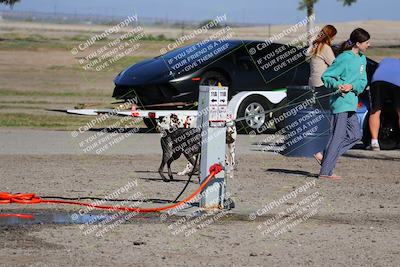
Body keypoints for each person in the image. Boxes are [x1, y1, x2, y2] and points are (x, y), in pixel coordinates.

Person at [314, 28, 371, 180]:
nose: (368, 44)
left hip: (351, 102)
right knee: (337, 137)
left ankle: (325, 155)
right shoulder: (344, 58)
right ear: (358, 44)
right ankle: (326, 172)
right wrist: (338, 85)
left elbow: (363, 81)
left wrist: (352, 86)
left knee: (355, 135)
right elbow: (327, 76)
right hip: (340, 103)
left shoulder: (362, 59)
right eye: (366, 42)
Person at [368, 58, 400, 151]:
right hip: (397, 82)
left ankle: (374, 142)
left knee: (376, 110)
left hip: (378, 81)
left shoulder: (383, 62)